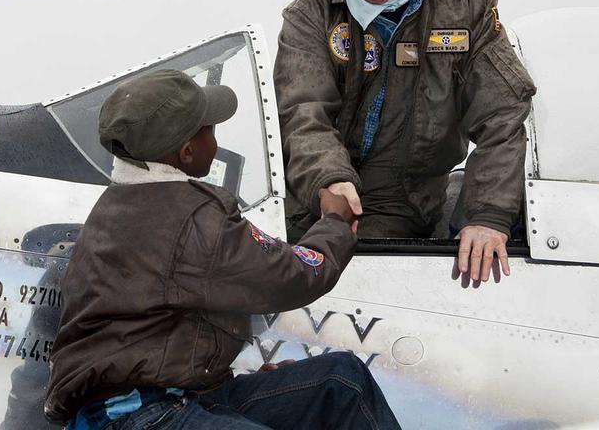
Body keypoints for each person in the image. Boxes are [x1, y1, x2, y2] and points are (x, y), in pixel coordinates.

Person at [44, 69, 401, 429]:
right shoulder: (189, 213)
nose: (216, 142)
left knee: (342, 381)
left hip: (186, 396)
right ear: (186, 152)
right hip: (137, 415)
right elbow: (292, 276)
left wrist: (224, 380)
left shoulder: (120, 204)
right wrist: (334, 223)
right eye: (209, 131)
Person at [274, 0, 536, 283]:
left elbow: (502, 115)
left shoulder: (467, 6)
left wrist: (487, 215)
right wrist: (330, 179)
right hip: (323, 203)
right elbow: (303, 114)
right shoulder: (311, 15)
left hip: (413, 201)